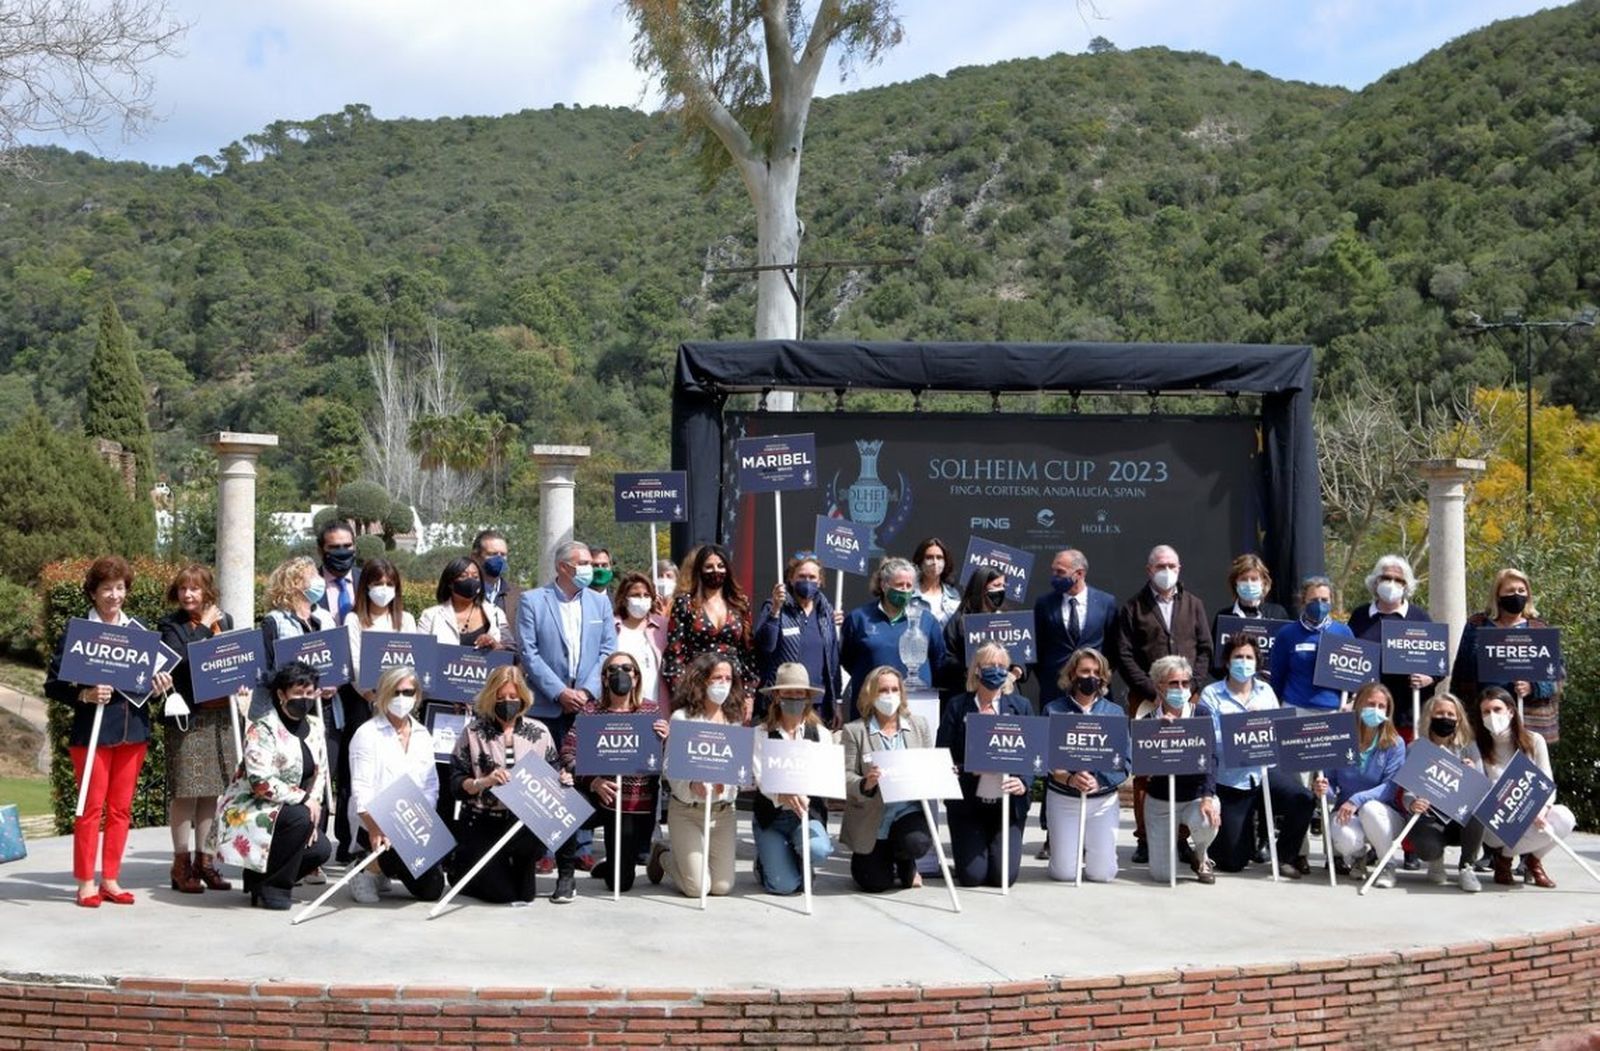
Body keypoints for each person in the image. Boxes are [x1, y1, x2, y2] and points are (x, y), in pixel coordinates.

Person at [45, 556, 173, 907]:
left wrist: (159, 685)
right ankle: (86, 881)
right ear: (93, 592)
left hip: (133, 732)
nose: (114, 595)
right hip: (92, 733)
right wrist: (83, 694)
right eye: (106, 589)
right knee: (90, 808)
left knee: (120, 809)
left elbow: (146, 682)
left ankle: (111, 879)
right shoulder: (77, 632)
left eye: (120, 588)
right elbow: (53, 685)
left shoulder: (139, 630)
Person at [1111, 544, 1211, 864]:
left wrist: (1191, 685)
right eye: (1160, 565)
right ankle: (1144, 839)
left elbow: (1205, 650)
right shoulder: (1133, 607)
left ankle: (1180, 839)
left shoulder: (1194, 604)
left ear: (1179, 568)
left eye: (1172, 565)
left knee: (1185, 765)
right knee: (1145, 770)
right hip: (1147, 699)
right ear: (1149, 570)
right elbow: (1124, 654)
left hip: (1186, 697)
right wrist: (1150, 689)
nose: (1166, 570)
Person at [450, 665, 579, 904]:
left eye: (513, 697)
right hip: (484, 819)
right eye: (501, 698)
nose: (507, 702)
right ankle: (466, 872)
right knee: (503, 895)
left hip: (524, 824)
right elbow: (456, 783)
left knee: (524, 895)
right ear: (491, 698)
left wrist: (562, 779)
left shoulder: (539, 732)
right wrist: (483, 781)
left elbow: (552, 773)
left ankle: (559, 874)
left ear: (523, 698)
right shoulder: (473, 732)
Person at [210, 662, 332, 910]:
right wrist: (303, 800)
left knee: (320, 849)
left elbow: (320, 773)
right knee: (299, 817)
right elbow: (260, 781)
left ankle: (258, 878)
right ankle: (272, 888)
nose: (304, 699)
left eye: (310, 693)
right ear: (281, 694)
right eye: (298, 693)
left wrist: (314, 804)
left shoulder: (316, 726)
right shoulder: (263, 727)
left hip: (293, 808)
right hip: (254, 806)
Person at [1199, 635, 1313, 878]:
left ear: (1256, 662)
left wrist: (1263, 725)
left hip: (1263, 772)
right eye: (1238, 657)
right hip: (1230, 779)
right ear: (1227, 662)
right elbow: (1210, 740)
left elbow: (1280, 732)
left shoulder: (1266, 691)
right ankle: (1243, 837)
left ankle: (1283, 856)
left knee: (1303, 798)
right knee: (1232, 861)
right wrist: (1241, 727)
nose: (1243, 662)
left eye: (1249, 657)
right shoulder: (1211, 694)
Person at [156, 563, 239, 894]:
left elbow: (234, 659)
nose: (188, 594)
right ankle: (181, 865)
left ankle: (205, 862)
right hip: (189, 717)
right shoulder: (171, 625)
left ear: (208, 590)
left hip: (221, 717)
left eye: (194, 588)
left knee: (212, 791)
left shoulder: (227, 620)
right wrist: (203, 627)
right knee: (186, 791)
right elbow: (178, 661)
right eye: (182, 589)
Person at [256, 554, 340, 870]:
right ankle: (280, 851)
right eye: (310, 575)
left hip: (322, 712)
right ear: (294, 581)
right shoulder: (275, 621)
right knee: (289, 777)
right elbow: (263, 671)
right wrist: (291, 684)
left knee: (317, 777)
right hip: (284, 716)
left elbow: (338, 661)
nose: (317, 580)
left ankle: (312, 854)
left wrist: (333, 683)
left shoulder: (325, 619)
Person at [561, 652, 666, 893]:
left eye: (627, 668)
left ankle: (616, 862)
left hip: (637, 802)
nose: (621, 674)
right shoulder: (590, 712)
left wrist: (666, 740)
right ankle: (569, 871)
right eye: (613, 670)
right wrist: (593, 781)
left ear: (637, 677)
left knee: (622, 882)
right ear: (605, 679)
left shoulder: (650, 711)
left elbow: (661, 762)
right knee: (617, 883)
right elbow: (567, 753)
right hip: (603, 799)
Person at [648, 652, 746, 898]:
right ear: (702, 681)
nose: (723, 684)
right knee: (698, 889)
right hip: (688, 812)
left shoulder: (734, 721)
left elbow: (738, 768)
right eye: (716, 678)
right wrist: (692, 784)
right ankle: (664, 856)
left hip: (723, 813)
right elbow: (670, 766)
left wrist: (729, 786)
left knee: (722, 887)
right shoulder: (682, 718)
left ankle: (688, 861)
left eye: (728, 678)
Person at [346, 666, 446, 903]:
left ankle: (383, 868)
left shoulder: (423, 735)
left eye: (408, 692)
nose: (402, 699)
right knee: (398, 844)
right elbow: (361, 789)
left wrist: (419, 818)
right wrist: (376, 826)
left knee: (432, 890)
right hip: (374, 823)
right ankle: (366, 870)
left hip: (413, 823)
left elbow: (431, 785)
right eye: (395, 692)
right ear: (383, 695)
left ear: (418, 695)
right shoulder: (367, 734)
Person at [938, 643, 1031, 888]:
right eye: (990, 665)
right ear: (976, 670)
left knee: (1003, 878)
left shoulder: (1021, 707)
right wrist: (968, 768)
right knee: (973, 877)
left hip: (1007, 807)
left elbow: (1033, 756)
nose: (997, 670)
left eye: (1002, 666)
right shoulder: (957, 706)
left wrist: (1023, 782)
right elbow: (942, 753)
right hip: (968, 805)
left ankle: (998, 846)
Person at [841, 666, 934, 892]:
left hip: (906, 811)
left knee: (917, 842)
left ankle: (905, 860)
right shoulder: (855, 731)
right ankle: (881, 858)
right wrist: (865, 783)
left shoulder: (918, 725)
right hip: (873, 817)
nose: (890, 695)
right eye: (883, 690)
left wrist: (941, 773)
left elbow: (928, 765)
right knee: (874, 883)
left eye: (895, 689)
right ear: (870, 694)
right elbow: (844, 776)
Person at [1474, 686, 1575, 888]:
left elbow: (1547, 783)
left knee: (1564, 817)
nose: (1492, 716)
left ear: (1511, 711)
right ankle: (1505, 856)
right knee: (1524, 827)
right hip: (1495, 822)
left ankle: (1528, 860)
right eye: (1486, 711)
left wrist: (1542, 809)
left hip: (1530, 811)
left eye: (1497, 709)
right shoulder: (1476, 745)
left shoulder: (1534, 741)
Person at [1042, 648, 1127, 883]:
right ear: (1071, 675)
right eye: (1084, 671)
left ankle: (1101, 854)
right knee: (1064, 874)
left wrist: (1099, 781)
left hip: (1102, 801)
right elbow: (1046, 758)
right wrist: (1069, 778)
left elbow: (1124, 763)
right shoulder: (1053, 710)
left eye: (1096, 672)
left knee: (1103, 874)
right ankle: (1064, 854)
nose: (1091, 677)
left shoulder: (1115, 712)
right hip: (1064, 799)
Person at [1450, 568, 1562, 745]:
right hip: (1483, 717)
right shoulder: (1476, 625)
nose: (1516, 595)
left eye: (1521, 591)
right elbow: (1460, 672)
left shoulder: (1539, 629)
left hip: (1527, 720)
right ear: (1498, 595)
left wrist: (1533, 687)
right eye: (1510, 591)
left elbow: (1557, 676)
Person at [751, 663, 835, 895]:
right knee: (784, 886)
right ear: (777, 696)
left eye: (799, 693)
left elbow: (826, 775)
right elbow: (761, 777)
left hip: (806, 816)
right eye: (787, 692)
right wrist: (783, 793)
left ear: (807, 697)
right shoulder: (761, 733)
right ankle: (766, 862)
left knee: (818, 849)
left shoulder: (821, 735)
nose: (794, 697)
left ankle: (799, 860)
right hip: (772, 818)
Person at [1314, 682, 1407, 887]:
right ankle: (1358, 858)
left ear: (1388, 711)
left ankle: (1386, 865)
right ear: (1358, 706)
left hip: (1384, 814)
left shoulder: (1395, 743)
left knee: (1370, 809)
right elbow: (1331, 786)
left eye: (1381, 706)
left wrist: (1357, 800)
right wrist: (1322, 789)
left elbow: (1390, 788)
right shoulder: (1340, 739)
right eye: (1370, 704)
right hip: (1347, 812)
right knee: (1342, 834)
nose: (1375, 710)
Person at [1138, 656, 1221, 885]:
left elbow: (1212, 758)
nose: (1181, 688)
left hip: (1195, 796)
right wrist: (1156, 734)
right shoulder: (1147, 721)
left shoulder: (1201, 715)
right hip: (1161, 800)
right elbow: (1141, 770)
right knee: (1163, 876)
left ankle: (1201, 855)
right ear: (1159, 686)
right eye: (1173, 683)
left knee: (1207, 819)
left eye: (1185, 683)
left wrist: (1207, 796)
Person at [1346, 554, 1436, 738]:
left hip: (1407, 712)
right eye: (1386, 578)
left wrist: (1430, 678)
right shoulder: (1360, 616)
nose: (1391, 583)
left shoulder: (1420, 618)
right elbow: (1346, 654)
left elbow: (1438, 663)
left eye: (1398, 580)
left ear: (1406, 585)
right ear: (1376, 581)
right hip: (1367, 709)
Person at [840, 557, 946, 708]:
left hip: (915, 706)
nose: (904, 589)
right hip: (870, 707)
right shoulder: (859, 619)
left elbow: (939, 662)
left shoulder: (927, 621)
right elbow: (847, 660)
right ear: (884, 585)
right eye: (899, 584)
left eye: (909, 585)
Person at [1406, 692, 1485, 893]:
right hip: (1430, 819)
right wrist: (1412, 803)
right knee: (1427, 848)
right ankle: (1436, 860)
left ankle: (1467, 867)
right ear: (1429, 716)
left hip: (1460, 821)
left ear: (1459, 719)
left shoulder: (1469, 747)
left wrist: (1473, 774)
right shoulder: (1416, 748)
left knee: (1477, 810)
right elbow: (1407, 790)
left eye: (1451, 714)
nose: (1446, 718)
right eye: (1440, 713)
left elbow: (1483, 788)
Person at [752, 554, 843, 727]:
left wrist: (836, 701)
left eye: (812, 577)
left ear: (820, 581)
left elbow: (833, 661)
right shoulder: (774, 606)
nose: (807, 581)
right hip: (781, 702)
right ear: (791, 579)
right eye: (801, 576)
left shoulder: (826, 614)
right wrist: (775, 612)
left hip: (817, 704)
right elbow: (764, 647)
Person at [661, 543, 756, 695]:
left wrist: (749, 693)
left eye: (720, 566)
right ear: (700, 570)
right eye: (709, 567)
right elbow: (675, 652)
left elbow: (748, 652)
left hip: (733, 687)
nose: (715, 570)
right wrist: (680, 691)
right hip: (697, 687)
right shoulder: (685, 603)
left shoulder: (740, 604)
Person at [1034, 549, 1117, 708]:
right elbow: (1037, 646)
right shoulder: (1044, 604)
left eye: (1060, 572)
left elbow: (1113, 647)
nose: (1054, 576)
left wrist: (1097, 674)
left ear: (1079, 574)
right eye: (1053, 571)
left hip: (1094, 691)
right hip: (1054, 689)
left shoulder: (1105, 602)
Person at [935, 568, 1028, 700]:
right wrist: (973, 668)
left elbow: (1024, 656)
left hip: (1006, 694)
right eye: (996, 586)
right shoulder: (960, 620)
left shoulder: (1008, 618)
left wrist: (1013, 674)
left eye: (1003, 586)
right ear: (981, 588)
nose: (1000, 590)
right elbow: (946, 658)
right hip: (969, 693)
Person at [1269, 576, 1354, 713]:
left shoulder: (1343, 632)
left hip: (1333, 710)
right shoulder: (1287, 633)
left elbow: (1353, 676)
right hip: (1295, 708)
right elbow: (1277, 676)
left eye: (1324, 600)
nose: (1320, 604)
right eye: (1314, 600)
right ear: (1303, 601)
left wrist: (1350, 702)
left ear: (1331, 601)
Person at [418, 557, 510, 649]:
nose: (470, 581)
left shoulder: (496, 614)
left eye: (475, 577)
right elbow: (420, 651)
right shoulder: (431, 616)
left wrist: (495, 645)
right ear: (450, 582)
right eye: (463, 576)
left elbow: (511, 650)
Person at [613, 572, 670, 711]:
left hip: (656, 704)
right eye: (636, 595)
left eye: (646, 595)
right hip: (620, 706)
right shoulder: (611, 626)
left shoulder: (663, 626)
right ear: (624, 598)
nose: (642, 599)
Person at [474, 529, 524, 660]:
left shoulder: (521, 596)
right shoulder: (464, 593)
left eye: (503, 554)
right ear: (476, 557)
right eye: (492, 554)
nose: (499, 559)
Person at [314, 520, 361, 626]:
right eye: (334, 547)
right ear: (320, 551)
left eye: (347, 546)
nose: (342, 552)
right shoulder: (308, 586)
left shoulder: (368, 580)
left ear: (355, 547)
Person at [909, 537, 961, 625]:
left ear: (945, 562)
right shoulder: (909, 593)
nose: (935, 562)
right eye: (929, 557)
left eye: (939, 557)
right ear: (920, 561)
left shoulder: (953, 594)